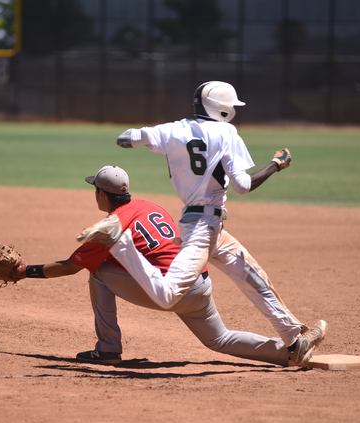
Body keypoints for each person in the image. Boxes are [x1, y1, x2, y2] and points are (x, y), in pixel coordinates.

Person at [77, 82, 327, 365]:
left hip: (207, 225)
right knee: (169, 294)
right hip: (201, 229)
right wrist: (274, 166)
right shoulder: (226, 132)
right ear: (221, 109)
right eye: (231, 106)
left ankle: (295, 338)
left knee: (253, 276)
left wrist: (148, 136)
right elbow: (243, 185)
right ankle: (120, 243)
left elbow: (125, 139)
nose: (233, 110)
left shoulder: (173, 129)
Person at [12, 165, 324, 367]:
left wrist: (24, 271)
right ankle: (288, 351)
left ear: (101, 194)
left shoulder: (109, 225)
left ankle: (108, 348)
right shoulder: (151, 206)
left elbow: (69, 266)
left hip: (166, 289)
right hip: (198, 282)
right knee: (219, 339)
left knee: (97, 271)